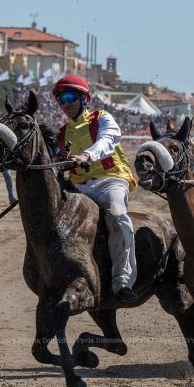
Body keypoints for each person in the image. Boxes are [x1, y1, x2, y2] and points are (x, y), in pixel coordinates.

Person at [53, 74, 139, 303]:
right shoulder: (61, 133)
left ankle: (122, 281)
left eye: (71, 97)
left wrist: (86, 155)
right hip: (79, 186)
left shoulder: (102, 118)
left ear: (84, 99)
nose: (66, 104)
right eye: (62, 100)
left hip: (110, 180)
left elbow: (107, 141)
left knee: (117, 215)